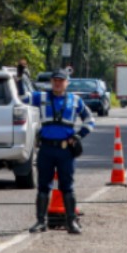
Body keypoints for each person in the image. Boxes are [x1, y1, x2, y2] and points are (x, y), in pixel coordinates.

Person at [26, 70, 95, 234]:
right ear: (51, 82)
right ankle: (40, 222)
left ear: (67, 83)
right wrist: (21, 77)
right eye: (55, 80)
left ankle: (71, 222)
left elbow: (90, 120)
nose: (57, 83)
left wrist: (79, 135)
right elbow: (20, 97)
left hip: (66, 151)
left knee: (67, 186)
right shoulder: (40, 97)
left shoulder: (76, 100)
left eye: (61, 81)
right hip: (46, 149)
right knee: (43, 186)